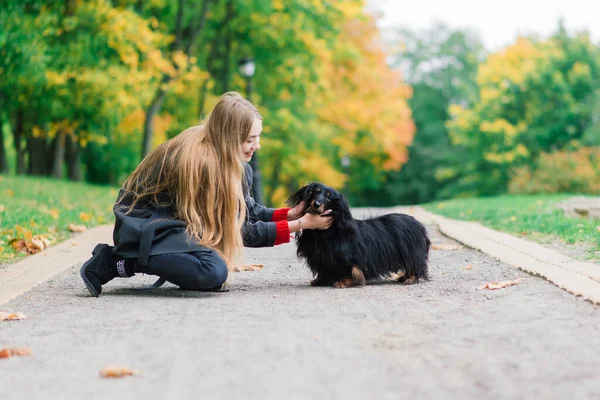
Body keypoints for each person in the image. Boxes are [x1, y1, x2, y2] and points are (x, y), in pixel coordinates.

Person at [80, 92, 332, 297]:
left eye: (258, 137)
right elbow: (237, 229)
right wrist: (299, 225)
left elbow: (247, 211)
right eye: (250, 139)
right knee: (213, 272)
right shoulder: (203, 163)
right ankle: (119, 261)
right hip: (142, 224)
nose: (257, 145)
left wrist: (290, 214)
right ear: (229, 137)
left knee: (212, 277)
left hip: (172, 221)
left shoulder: (232, 163)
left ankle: (159, 259)